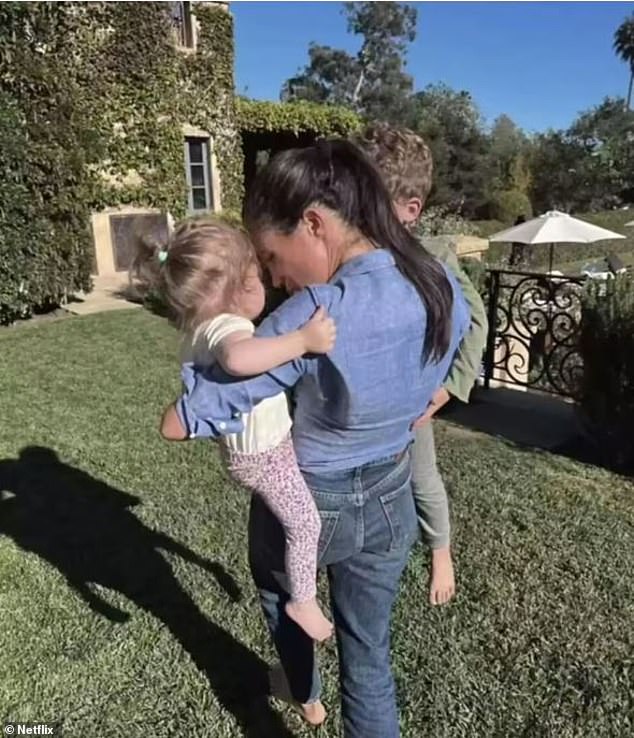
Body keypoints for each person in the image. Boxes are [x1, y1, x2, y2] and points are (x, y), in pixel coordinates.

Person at [160, 139, 470, 738]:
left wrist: (182, 406)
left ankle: (302, 688)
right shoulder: (440, 283)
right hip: (392, 493)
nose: (273, 276)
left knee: (280, 594)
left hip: (309, 492)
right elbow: (450, 358)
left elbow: (193, 416)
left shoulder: (315, 312)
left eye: (273, 256)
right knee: (370, 656)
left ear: (314, 224)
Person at [132, 217, 337, 641]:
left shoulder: (199, 328)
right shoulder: (229, 326)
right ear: (241, 287)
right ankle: (303, 599)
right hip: (263, 453)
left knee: (291, 516)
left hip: (250, 452)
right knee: (305, 524)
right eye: (257, 274)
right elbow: (240, 360)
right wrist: (303, 341)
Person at [355, 124, 489, 605]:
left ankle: (440, 552)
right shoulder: (352, 254)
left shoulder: (432, 258)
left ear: (410, 210)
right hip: (363, 398)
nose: (357, 212)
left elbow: (476, 321)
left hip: (414, 397)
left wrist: (448, 389)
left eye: (369, 201)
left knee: (422, 477)